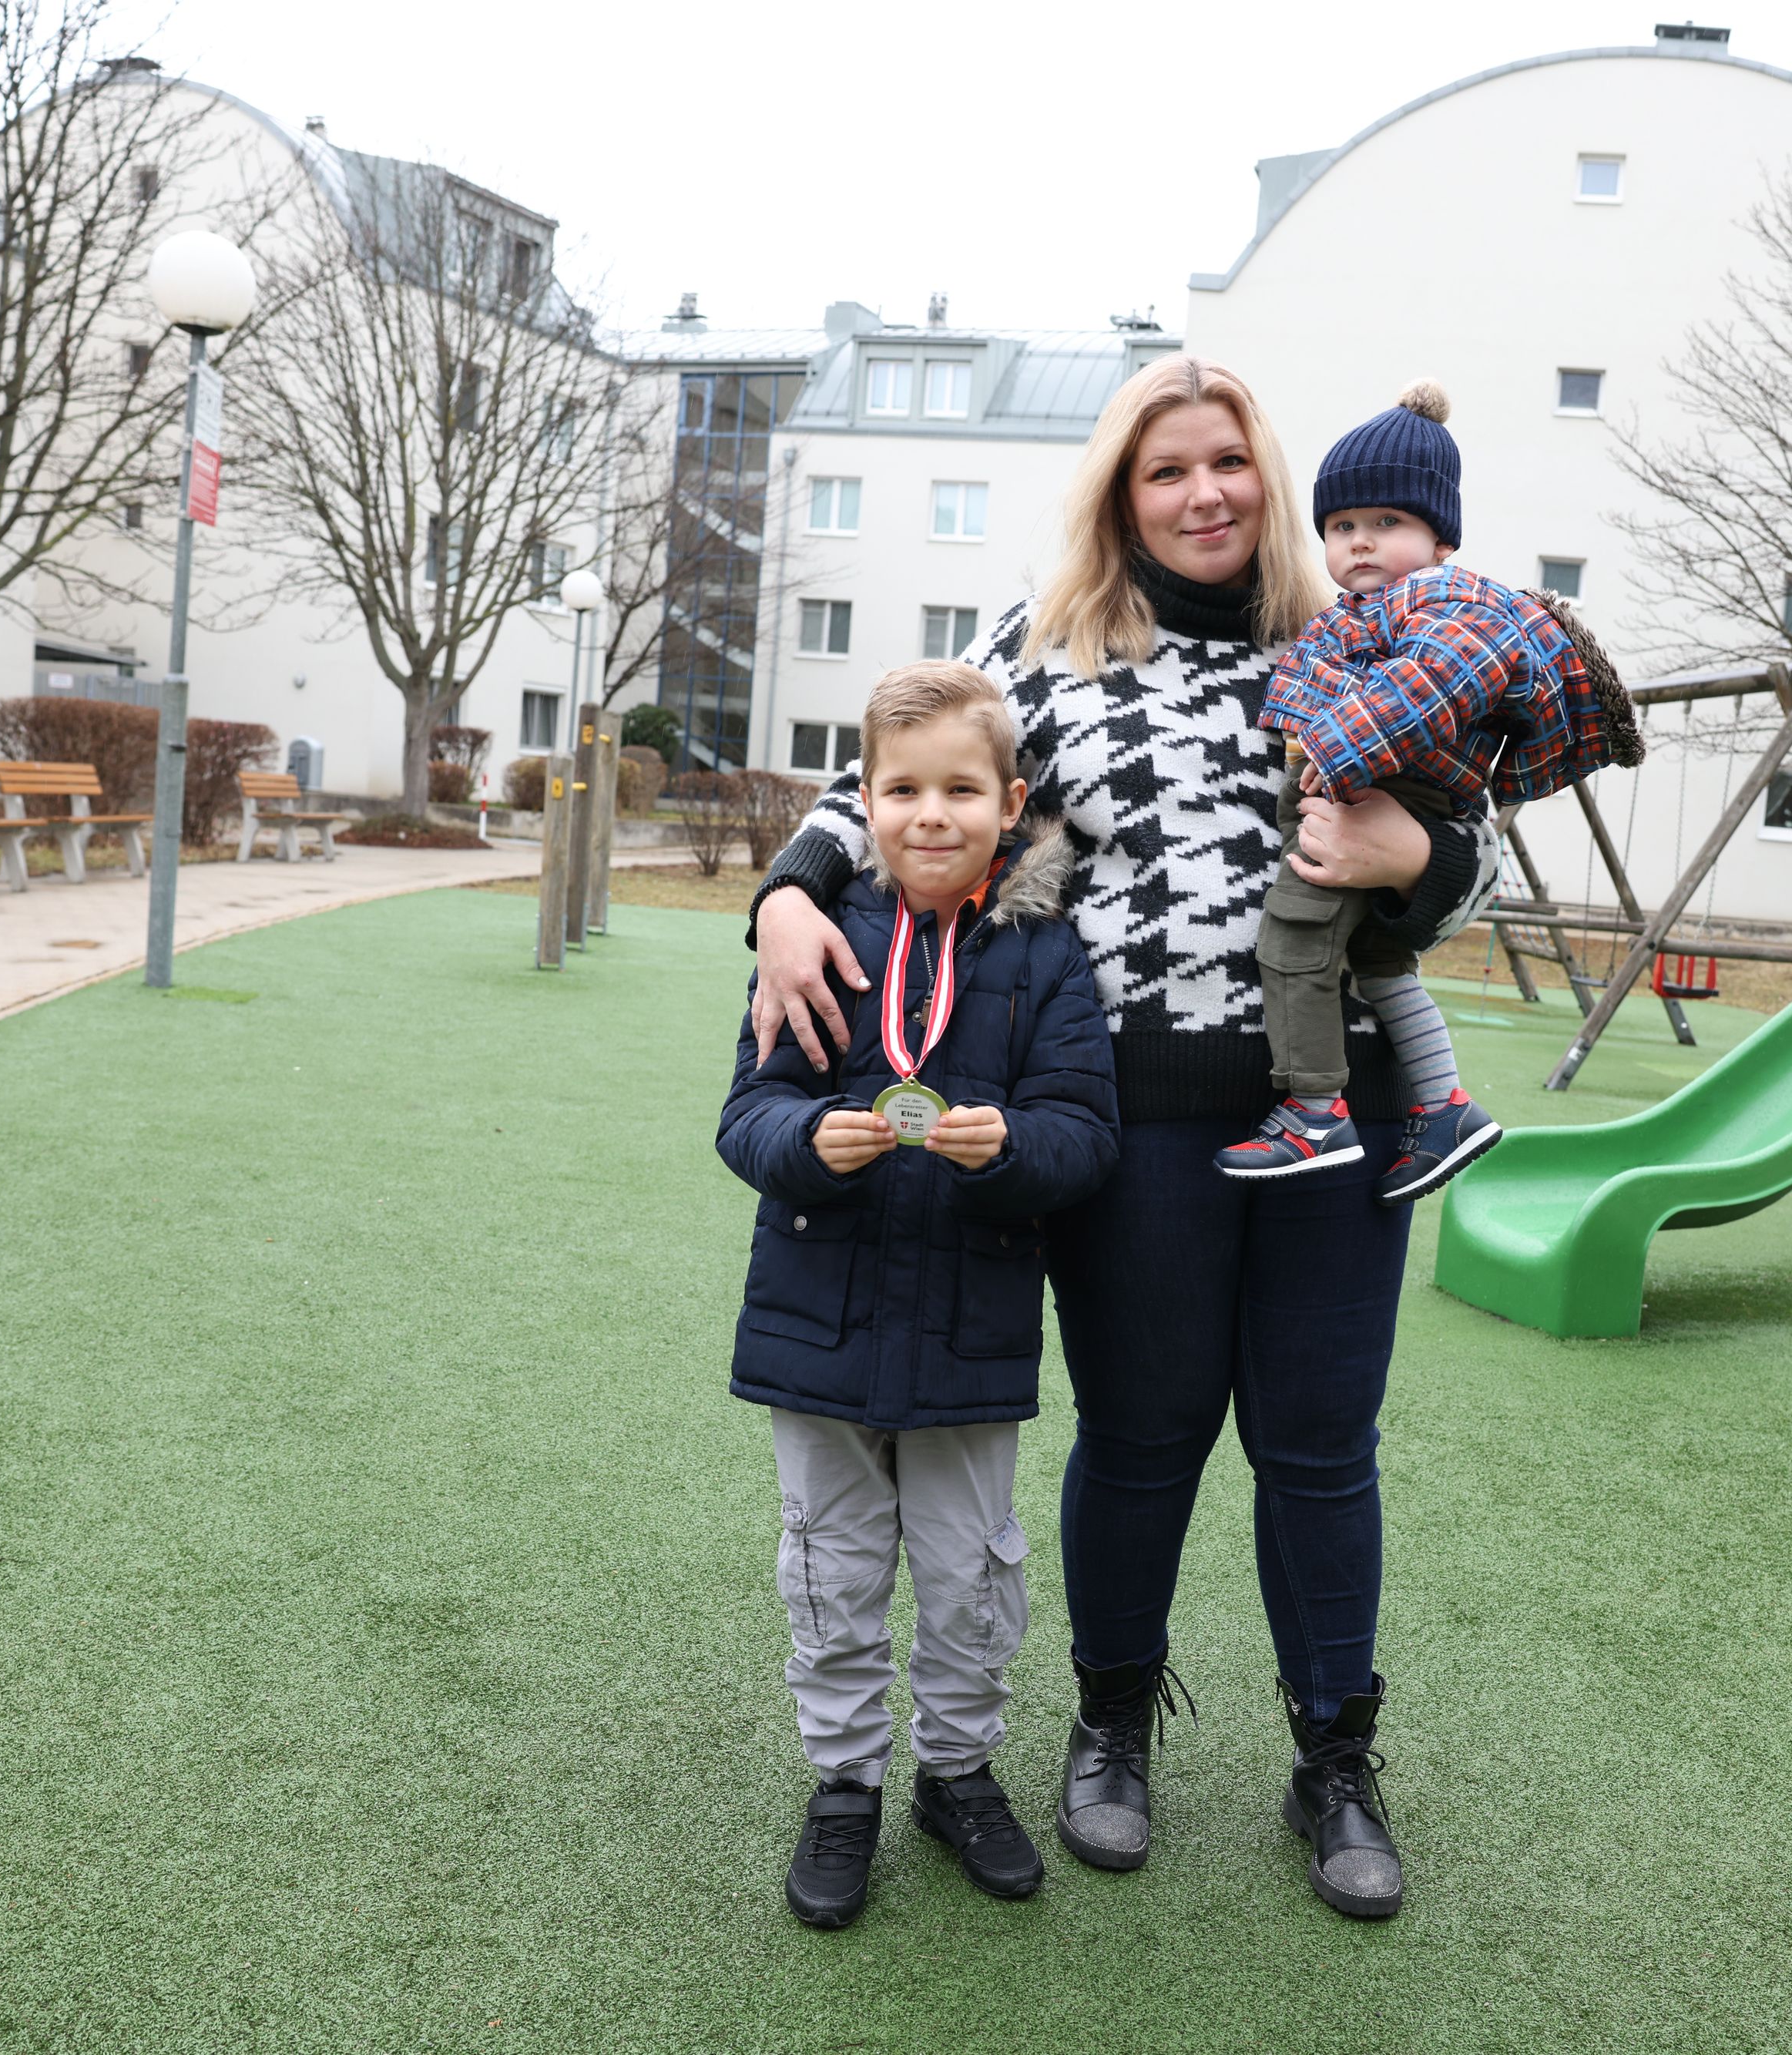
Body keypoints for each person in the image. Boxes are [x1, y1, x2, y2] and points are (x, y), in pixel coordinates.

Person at [747, 355, 1502, 1922]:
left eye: (1227, 461)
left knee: (1316, 1445)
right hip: (1135, 1118)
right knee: (1143, 1435)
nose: (1202, 493)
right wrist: (778, 900)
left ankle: (1334, 1760)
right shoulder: (1044, 645)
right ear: (1120, 490)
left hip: (1334, 1106)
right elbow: (867, 784)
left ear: (1264, 473)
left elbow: (1469, 850)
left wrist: (1412, 845)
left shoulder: (1357, 633)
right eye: (1166, 470)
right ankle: (1110, 1725)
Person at [716, 660, 1120, 1932]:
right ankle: (844, 1783)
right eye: (902, 789)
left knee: (970, 1578)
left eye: (960, 789)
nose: (929, 814)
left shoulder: (1049, 958)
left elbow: (1085, 1130)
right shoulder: (823, 931)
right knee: (832, 1573)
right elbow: (748, 1112)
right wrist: (804, 1146)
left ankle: (956, 1771)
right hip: (818, 1324)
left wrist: (1008, 1152)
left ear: (1011, 800)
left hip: (970, 1328)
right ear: (866, 800)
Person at [1220, 379, 1642, 1196]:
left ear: (1440, 538)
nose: (1362, 544)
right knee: (1380, 964)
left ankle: (1312, 1110)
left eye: (1388, 523)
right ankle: (1445, 1104)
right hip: (1373, 792)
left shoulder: (1446, 603)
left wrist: (1330, 752)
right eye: (1342, 527)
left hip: (1384, 796)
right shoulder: (1363, 611)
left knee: (1293, 945)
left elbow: (1430, 686)